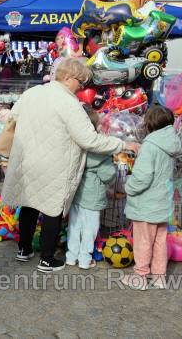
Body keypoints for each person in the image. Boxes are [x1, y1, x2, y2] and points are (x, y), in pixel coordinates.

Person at [1, 58, 139, 273]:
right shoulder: (69, 103)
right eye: (80, 81)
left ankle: (24, 249)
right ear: (68, 77)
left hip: (27, 160)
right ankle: (47, 259)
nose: (82, 86)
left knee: (28, 204)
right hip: (54, 164)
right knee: (52, 209)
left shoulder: (33, 93)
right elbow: (89, 139)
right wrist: (121, 144)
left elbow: (12, 118)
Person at [121, 105, 180, 290]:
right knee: (160, 240)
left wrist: (128, 186)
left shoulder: (150, 145)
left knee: (143, 241)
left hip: (146, 204)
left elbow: (142, 178)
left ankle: (140, 276)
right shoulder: (170, 142)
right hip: (162, 202)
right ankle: (159, 277)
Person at [65, 105, 117, 270]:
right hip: (92, 197)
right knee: (90, 229)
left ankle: (71, 256)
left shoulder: (75, 145)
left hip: (76, 195)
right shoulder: (101, 152)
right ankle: (85, 259)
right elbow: (108, 175)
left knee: (74, 226)